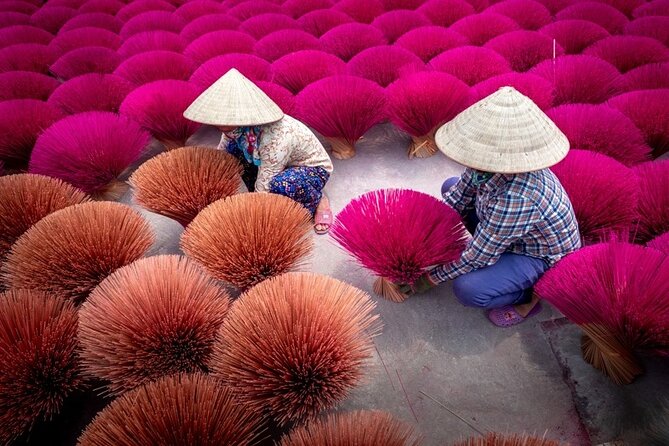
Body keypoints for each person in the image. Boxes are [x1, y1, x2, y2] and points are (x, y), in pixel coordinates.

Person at [400, 86, 582, 327]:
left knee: (469, 289)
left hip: (537, 255)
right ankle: (496, 254)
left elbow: (477, 258)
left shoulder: (517, 199)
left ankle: (529, 297)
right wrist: (424, 236)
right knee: (450, 185)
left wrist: (428, 279)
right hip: (507, 229)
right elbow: (459, 196)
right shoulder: (487, 163)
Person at [183, 68, 334, 234]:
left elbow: (267, 178)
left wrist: (254, 217)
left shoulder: (276, 137)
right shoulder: (235, 128)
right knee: (233, 151)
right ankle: (257, 197)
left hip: (312, 169)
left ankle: (318, 200)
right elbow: (223, 154)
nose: (220, 127)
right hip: (275, 163)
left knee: (281, 185)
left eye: (225, 123)